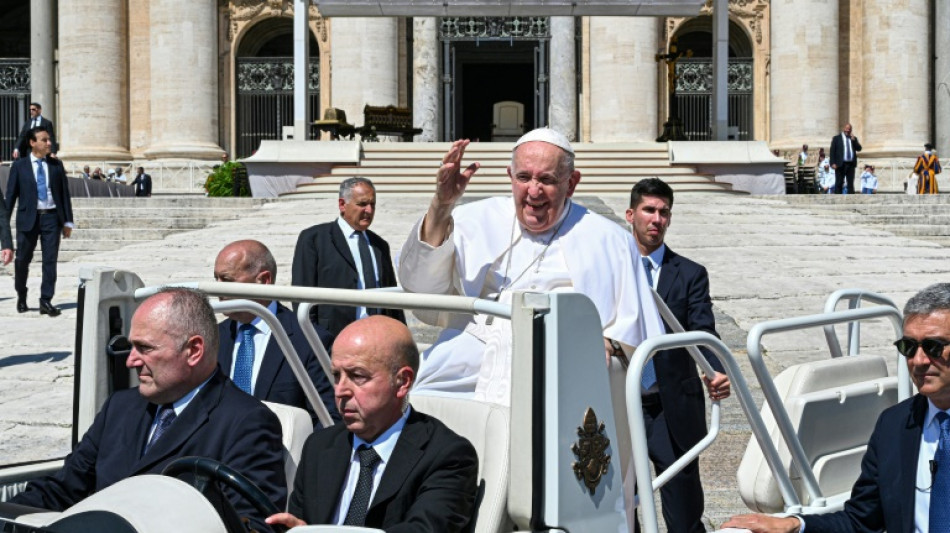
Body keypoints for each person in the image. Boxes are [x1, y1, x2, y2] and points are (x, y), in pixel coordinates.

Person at [398, 128, 663, 405]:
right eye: (523, 177)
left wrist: (610, 342)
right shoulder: (474, 218)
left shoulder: (611, 239)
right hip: (472, 351)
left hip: (566, 356)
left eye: (546, 180)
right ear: (510, 177)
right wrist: (442, 204)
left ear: (571, 183)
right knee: (418, 403)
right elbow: (421, 286)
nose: (533, 191)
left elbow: (634, 327)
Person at [9, 288, 287, 530]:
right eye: (131, 346)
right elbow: (66, 488)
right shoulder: (120, 407)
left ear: (193, 350)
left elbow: (250, 526)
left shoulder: (247, 422)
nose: (131, 360)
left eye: (144, 348)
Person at [725, 282, 950, 533]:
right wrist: (795, 524)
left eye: (934, 347)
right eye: (908, 347)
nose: (919, 361)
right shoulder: (895, 425)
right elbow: (862, 520)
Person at [265, 315, 478, 532]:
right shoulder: (320, 446)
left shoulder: (447, 456)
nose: (340, 390)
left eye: (357, 376)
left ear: (402, 381)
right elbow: (303, 522)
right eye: (337, 375)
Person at [626, 178, 730, 533]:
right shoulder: (612, 268)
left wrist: (715, 370)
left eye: (663, 212)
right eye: (649, 210)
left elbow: (704, 331)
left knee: (684, 514)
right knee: (621, 508)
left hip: (671, 408)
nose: (656, 219)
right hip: (620, 403)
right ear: (631, 214)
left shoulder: (690, 274)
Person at [214, 239, 337, 426]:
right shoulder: (213, 338)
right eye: (216, 279)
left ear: (263, 280)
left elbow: (328, 418)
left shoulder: (309, 341)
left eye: (226, 280)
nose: (217, 288)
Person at [291, 177, 405, 338]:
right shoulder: (315, 239)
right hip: (331, 340)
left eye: (372, 204)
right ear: (342, 204)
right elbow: (301, 295)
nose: (369, 211)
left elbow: (393, 303)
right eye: (362, 204)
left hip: (377, 338)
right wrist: (314, 340)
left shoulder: (379, 245)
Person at [5, 127, 74, 316]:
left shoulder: (56, 166)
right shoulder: (19, 166)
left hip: (52, 218)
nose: (49, 143)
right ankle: (21, 293)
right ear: (32, 143)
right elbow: (10, 197)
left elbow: (64, 195)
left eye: (49, 139)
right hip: (28, 219)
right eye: (44, 140)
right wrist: (4, 227)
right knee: (22, 261)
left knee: (50, 261)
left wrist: (68, 222)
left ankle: (46, 300)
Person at [829, 122, 862, 194]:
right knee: (839, 182)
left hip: (851, 164)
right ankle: (838, 199)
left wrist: (854, 141)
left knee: (850, 183)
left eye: (849, 129)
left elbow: (859, 148)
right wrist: (832, 163)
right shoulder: (836, 138)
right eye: (847, 129)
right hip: (840, 163)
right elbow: (832, 151)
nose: (848, 130)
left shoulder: (853, 138)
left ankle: (851, 200)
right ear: (844, 128)